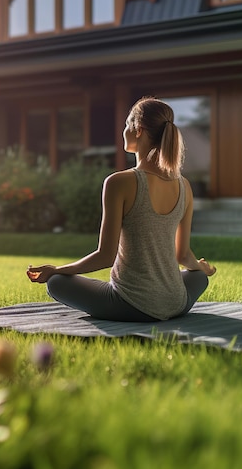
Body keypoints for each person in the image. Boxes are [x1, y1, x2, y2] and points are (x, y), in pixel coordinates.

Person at [27, 96, 216, 322]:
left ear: (138, 130)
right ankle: (176, 289)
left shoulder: (119, 182)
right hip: (177, 303)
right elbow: (183, 255)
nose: (124, 130)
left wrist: (57, 270)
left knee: (56, 283)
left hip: (132, 305)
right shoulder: (184, 186)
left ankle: (138, 299)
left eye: (127, 124)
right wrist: (200, 268)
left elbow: (105, 256)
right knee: (198, 278)